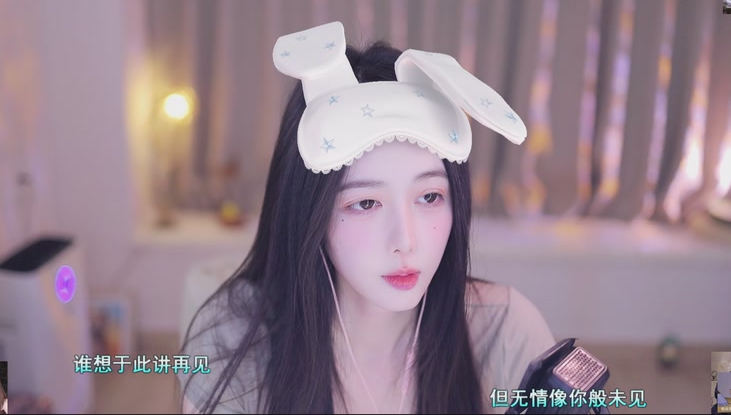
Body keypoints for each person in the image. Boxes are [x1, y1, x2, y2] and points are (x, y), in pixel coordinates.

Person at [178, 21, 555, 414]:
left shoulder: (506, 330)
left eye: (429, 196)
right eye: (365, 203)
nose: (405, 241)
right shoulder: (234, 340)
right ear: (310, 213)